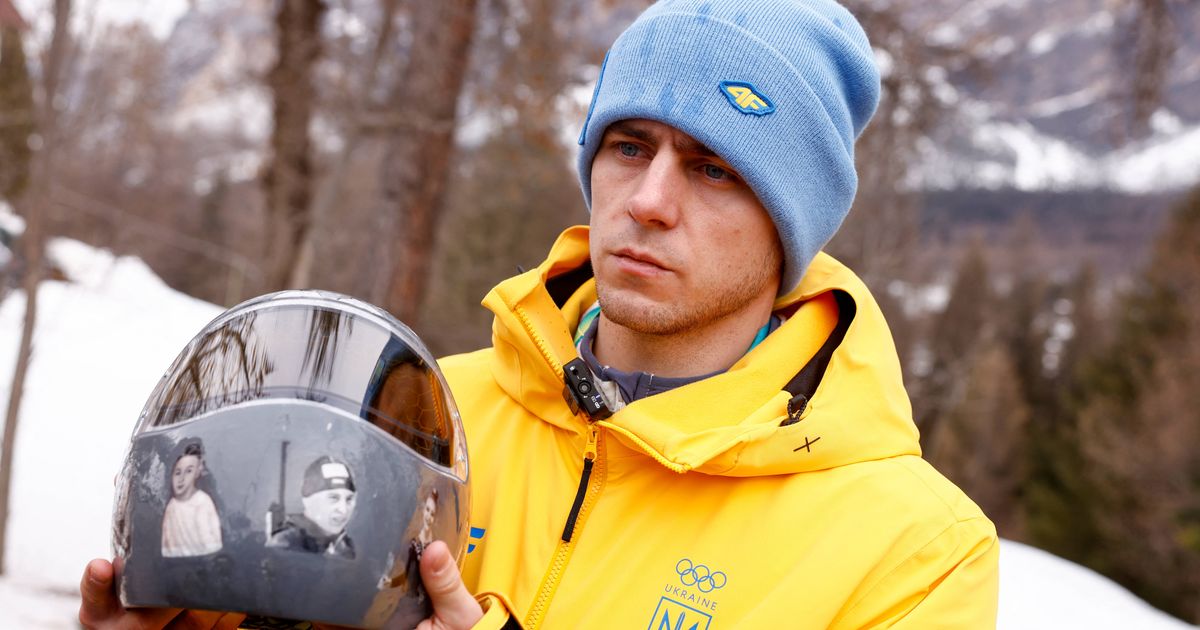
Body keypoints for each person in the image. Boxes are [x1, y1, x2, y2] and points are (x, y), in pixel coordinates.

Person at [79, 0, 999, 628]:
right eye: (629, 146)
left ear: (791, 224)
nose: (649, 200)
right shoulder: (425, 413)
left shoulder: (913, 551)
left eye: (715, 168)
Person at [266, 456, 357, 559]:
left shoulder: (345, 545)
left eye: (349, 499)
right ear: (309, 500)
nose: (343, 510)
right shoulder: (285, 545)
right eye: (333, 498)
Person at [160, 443, 223, 558]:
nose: (181, 479)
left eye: (188, 471)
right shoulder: (171, 507)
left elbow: (212, 544)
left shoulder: (202, 502)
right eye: (178, 472)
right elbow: (167, 546)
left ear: (197, 473)